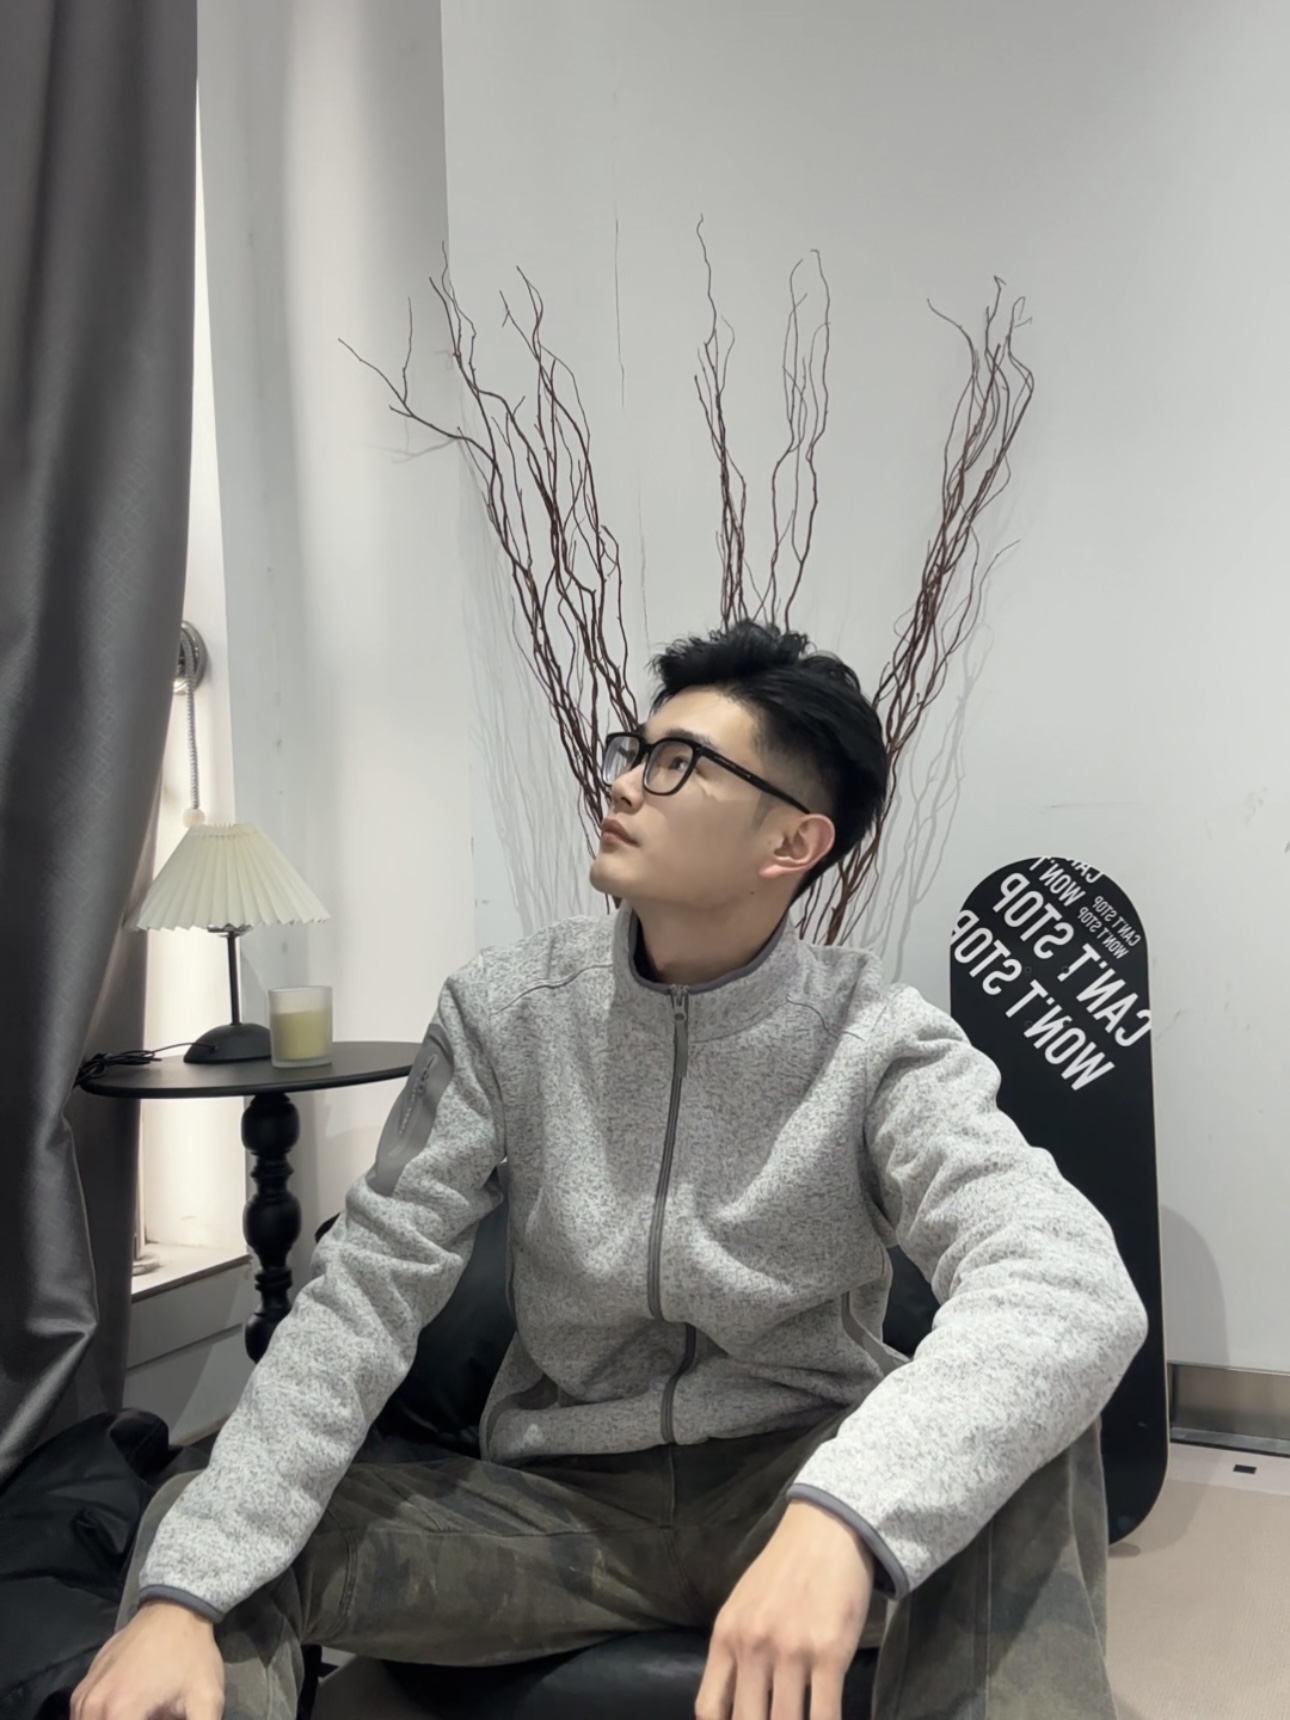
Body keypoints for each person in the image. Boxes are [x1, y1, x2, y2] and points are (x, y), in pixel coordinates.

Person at [73, 621, 1147, 1720]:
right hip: (553, 1514)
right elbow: (364, 1293)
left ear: (793, 843)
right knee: (203, 1533)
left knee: (1033, 1443)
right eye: (636, 750)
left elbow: (1067, 1282)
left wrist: (846, 1511)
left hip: (788, 1486)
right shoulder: (506, 1013)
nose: (627, 783)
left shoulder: (878, 1043)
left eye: (679, 763)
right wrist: (185, 1592)